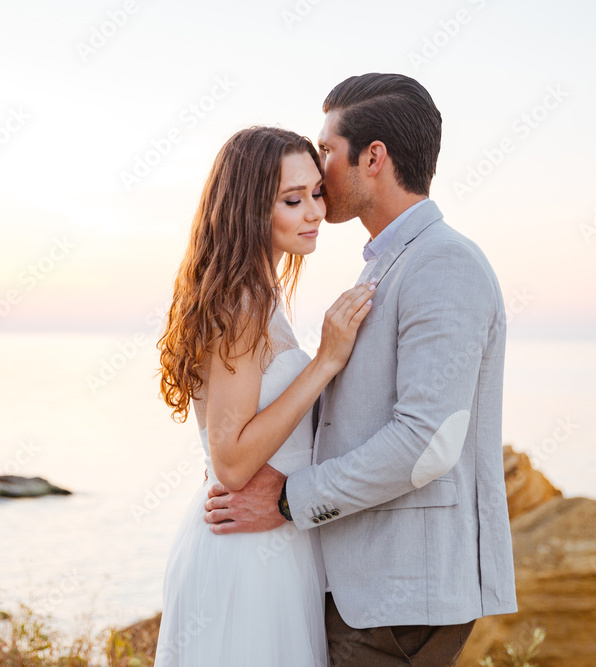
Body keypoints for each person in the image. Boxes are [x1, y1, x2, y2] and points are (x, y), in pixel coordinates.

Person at [204, 73, 518, 666]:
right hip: (362, 586)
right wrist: (257, 458)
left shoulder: (442, 264)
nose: (319, 170)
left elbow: (427, 442)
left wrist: (287, 497)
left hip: (401, 595)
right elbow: (353, 411)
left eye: (326, 149)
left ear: (373, 157)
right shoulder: (383, 265)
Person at [153, 126, 375, 666]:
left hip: (268, 542)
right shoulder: (243, 301)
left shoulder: (257, 292)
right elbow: (230, 460)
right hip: (246, 555)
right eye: (292, 200)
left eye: (316, 193)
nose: (314, 212)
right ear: (250, 209)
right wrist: (325, 361)